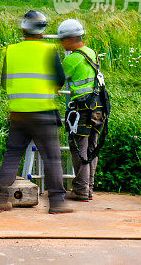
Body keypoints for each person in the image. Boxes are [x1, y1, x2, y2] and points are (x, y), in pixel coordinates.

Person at [0, 10, 73, 214]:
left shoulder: (11, 51)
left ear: (23, 28)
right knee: (52, 158)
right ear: (43, 30)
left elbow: (4, 82)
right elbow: (60, 80)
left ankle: (0, 198)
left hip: (18, 114)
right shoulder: (49, 50)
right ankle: (56, 202)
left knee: (12, 154)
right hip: (44, 113)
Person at [57, 19, 105, 202]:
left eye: (62, 39)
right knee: (93, 146)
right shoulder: (91, 53)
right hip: (99, 107)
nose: (61, 43)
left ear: (69, 39)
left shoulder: (73, 58)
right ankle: (89, 188)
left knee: (78, 147)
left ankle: (81, 190)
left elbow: (56, 81)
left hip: (83, 109)